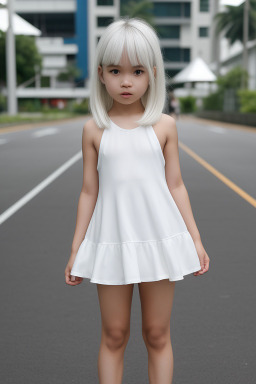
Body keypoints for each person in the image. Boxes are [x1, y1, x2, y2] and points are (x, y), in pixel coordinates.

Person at [65, 17, 210, 384]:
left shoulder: (164, 126)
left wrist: (195, 239)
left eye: (137, 71)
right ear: (101, 74)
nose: (126, 81)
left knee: (157, 334)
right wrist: (76, 248)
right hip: (111, 240)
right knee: (114, 335)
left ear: (153, 74)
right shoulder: (93, 130)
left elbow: (175, 184)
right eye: (116, 70)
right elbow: (88, 190)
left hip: (159, 238)